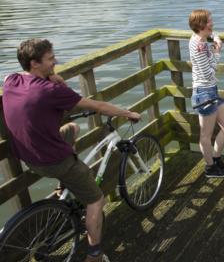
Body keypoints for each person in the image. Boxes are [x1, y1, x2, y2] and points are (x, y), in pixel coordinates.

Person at [2, 38, 141, 262]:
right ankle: (94, 254)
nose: (55, 61)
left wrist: (51, 76)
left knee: (72, 128)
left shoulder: (11, 81)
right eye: (50, 59)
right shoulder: (49, 91)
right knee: (96, 201)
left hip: (28, 155)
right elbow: (98, 106)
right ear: (34, 63)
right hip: (54, 160)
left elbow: (13, 77)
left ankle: (62, 186)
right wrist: (127, 113)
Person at [188, 9, 224, 178]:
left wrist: (214, 37)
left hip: (211, 91)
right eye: (209, 21)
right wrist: (217, 52)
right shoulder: (199, 46)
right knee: (205, 135)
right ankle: (210, 168)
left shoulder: (199, 37)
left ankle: (215, 158)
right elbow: (209, 72)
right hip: (204, 93)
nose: (212, 23)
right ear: (200, 25)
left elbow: (211, 33)